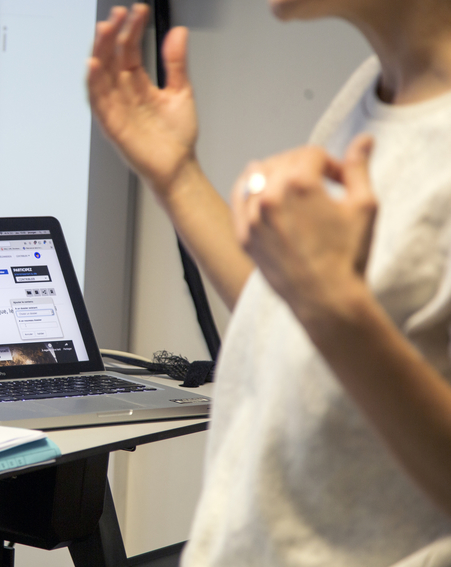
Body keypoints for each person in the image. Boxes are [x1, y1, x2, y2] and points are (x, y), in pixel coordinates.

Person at [88, 1, 451, 565]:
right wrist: (177, 178)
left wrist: (335, 308)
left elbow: (330, 314)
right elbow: (292, 325)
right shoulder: (378, 88)